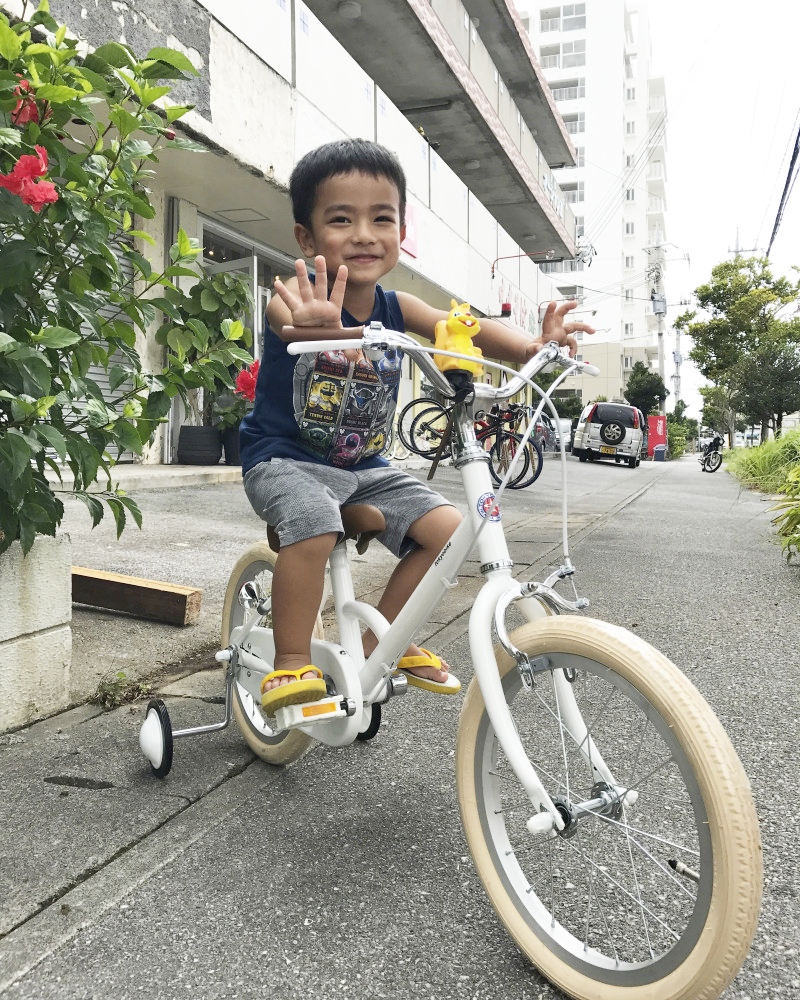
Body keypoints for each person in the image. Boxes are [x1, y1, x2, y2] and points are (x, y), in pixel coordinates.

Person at [239, 138, 594, 714]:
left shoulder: (396, 306)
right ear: (307, 236)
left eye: (382, 218)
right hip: (285, 459)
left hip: (365, 468)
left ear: (402, 231)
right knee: (312, 519)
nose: (364, 233)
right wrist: (314, 325)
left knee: (455, 529)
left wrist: (533, 345)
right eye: (340, 219)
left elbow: (465, 328)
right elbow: (290, 323)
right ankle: (288, 664)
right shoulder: (296, 293)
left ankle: (383, 647)